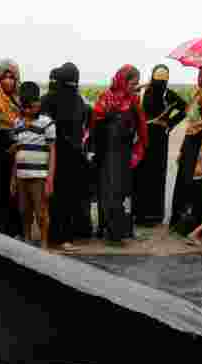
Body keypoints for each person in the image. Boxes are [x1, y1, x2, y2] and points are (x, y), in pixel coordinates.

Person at [90, 65, 147, 246]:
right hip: (108, 155)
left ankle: (124, 230)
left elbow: (142, 127)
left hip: (125, 154)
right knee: (109, 192)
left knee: (124, 193)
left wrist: (139, 148)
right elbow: (95, 124)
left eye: (137, 83)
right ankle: (109, 230)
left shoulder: (134, 101)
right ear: (123, 81)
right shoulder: (106, 98)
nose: (134, 86)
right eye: (132, 83)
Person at [41, 62, 93, 247]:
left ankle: (56, 235)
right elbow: (86, 123)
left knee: (57, 198)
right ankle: (66, 236)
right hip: (74, 156)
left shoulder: (49, 99)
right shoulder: (79, 100)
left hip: (55, 156)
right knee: (70, 198)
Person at [132, 65, 187, 227]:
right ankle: (145, 214)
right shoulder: (144, 92)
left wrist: (169, 124)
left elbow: (185, 109)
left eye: (162, 82)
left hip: (157, 141)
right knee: (144, 175)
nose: (160, 84)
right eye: (158, 81)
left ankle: (150, 216)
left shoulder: (165, 94)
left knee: (152, 176)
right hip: (146, 139)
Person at [170, 67, 202, 232]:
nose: (200, 78)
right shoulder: (196, 93)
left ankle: (192, 223)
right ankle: (177, 220)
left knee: (197, 184)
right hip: (190, 145)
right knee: (183, 181)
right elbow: (190, 123)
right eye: (200, 74)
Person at [10, 82, 56, 248]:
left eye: (32, 107)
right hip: (22, 176)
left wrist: (50, 179)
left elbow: (52, 152)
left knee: (41, 212)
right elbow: (17, 152)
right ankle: (27, 241)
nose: (28, 111)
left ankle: (44, 244)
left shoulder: (47, 123)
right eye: (25, 107)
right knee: (24, 211)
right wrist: (13, 179)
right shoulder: (17, 123)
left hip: (39, 176)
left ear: (38, 103)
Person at [0, 58, 23, 236]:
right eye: (4, 77)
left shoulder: (20, 99)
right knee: (3, 191)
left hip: (20, 151)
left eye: (12, 77)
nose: (8, 81)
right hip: (0, 152)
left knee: (18, 193)